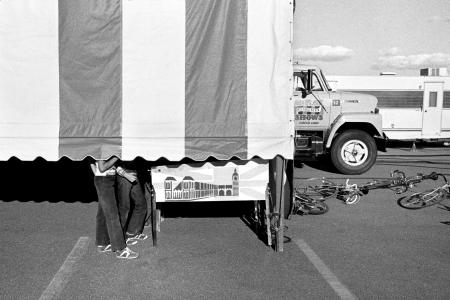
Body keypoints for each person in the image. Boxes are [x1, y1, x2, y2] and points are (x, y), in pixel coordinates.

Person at [91, 157, 139, 259]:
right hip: (104, 181)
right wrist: (116, 156)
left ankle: (102, 243)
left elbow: (91, 159)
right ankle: (120, 249)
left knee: (103, 213)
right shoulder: (103, 146)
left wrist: (96, 172)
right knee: (113, 215)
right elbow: (102, 167)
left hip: (106, 179)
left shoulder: (105, 146)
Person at [116, 160, 148, 245]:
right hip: (123, 175)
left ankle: (132, 232)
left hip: (133, 172)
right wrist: (125, 174)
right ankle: (121, 238)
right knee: (124, 208)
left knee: (141, 204)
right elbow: (114, 162)